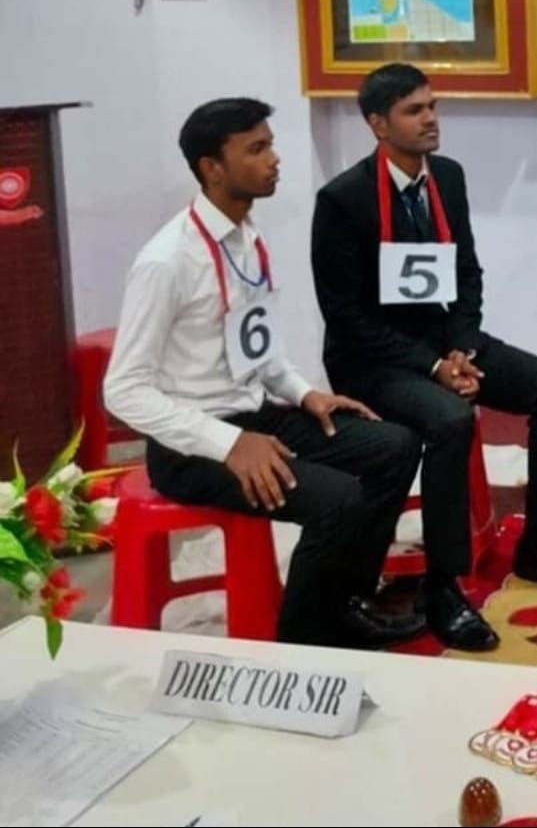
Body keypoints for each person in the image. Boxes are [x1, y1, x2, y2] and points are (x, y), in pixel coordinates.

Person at [104, 97, 425, 649]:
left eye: (271, 144)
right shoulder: (166, 261)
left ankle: (345, 601)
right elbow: (123, 390)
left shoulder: (245, 236)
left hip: (255, 416)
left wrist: (303, 393)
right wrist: (227, 444)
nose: (274, 159)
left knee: (394, 446)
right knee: (336, 499)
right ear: (212, 167)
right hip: (192, 447)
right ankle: (303, 643)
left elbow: (256, 346)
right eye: (256, 149)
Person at [311, 63, 537, 653]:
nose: (431, 120)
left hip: (446, 341)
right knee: (448, 420)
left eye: (433, 106)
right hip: (374, 359)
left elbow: (466, 272)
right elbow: (345, 317)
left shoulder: (448, 178)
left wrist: (461, 347)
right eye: (414, 111)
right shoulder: (342, 200)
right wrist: (433, 369)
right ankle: (442, 586)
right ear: (378, 124)